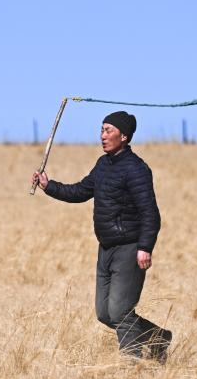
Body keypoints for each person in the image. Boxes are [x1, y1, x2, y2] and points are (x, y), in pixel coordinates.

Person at [31, 110, 171, 362]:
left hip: (129, 248)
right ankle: (159, 337)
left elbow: (150, 213)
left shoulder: (136, 169)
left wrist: (145, 247)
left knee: (119, 311)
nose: (102, 136)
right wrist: (48, 185)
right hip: (105, 248)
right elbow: (80, 191)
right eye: (102, 130)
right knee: (104, 314)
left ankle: (132, 364)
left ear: (124, 136)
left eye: (109, 131)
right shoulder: (103, 165)